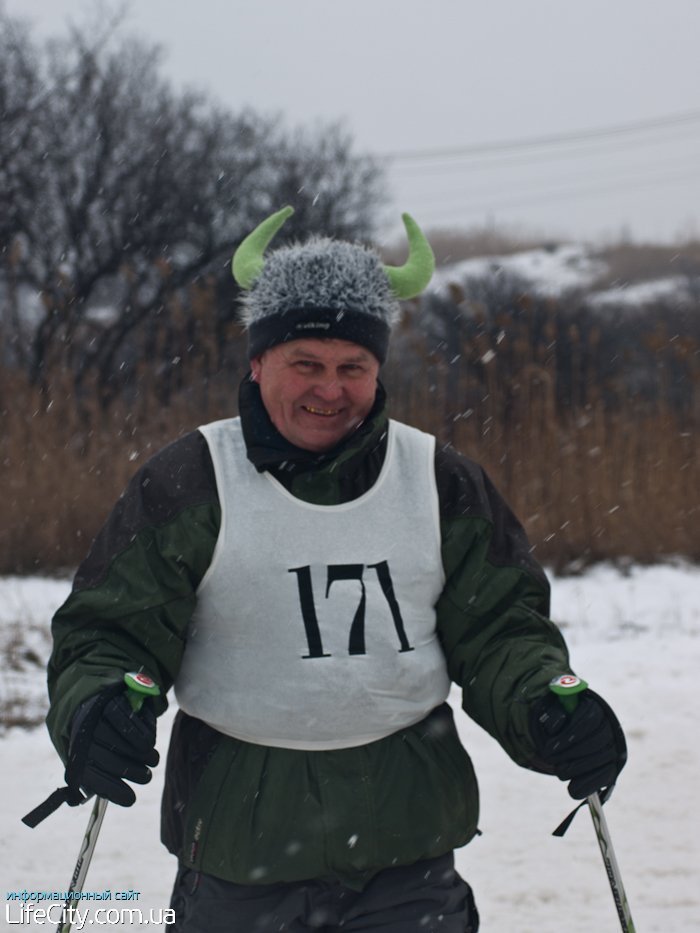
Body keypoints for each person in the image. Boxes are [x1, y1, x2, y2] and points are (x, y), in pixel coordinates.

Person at [42, 208, 627, 932]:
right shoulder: (191, 480)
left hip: (407, 855)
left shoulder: (439, 481)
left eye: (352, 367)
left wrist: (546, 702)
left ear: (379, 370)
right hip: (238, 853)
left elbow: (502, 628)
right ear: (257, 365)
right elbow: (109, 632)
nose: (330, 389)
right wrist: (96, 705)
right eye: (306, 364)